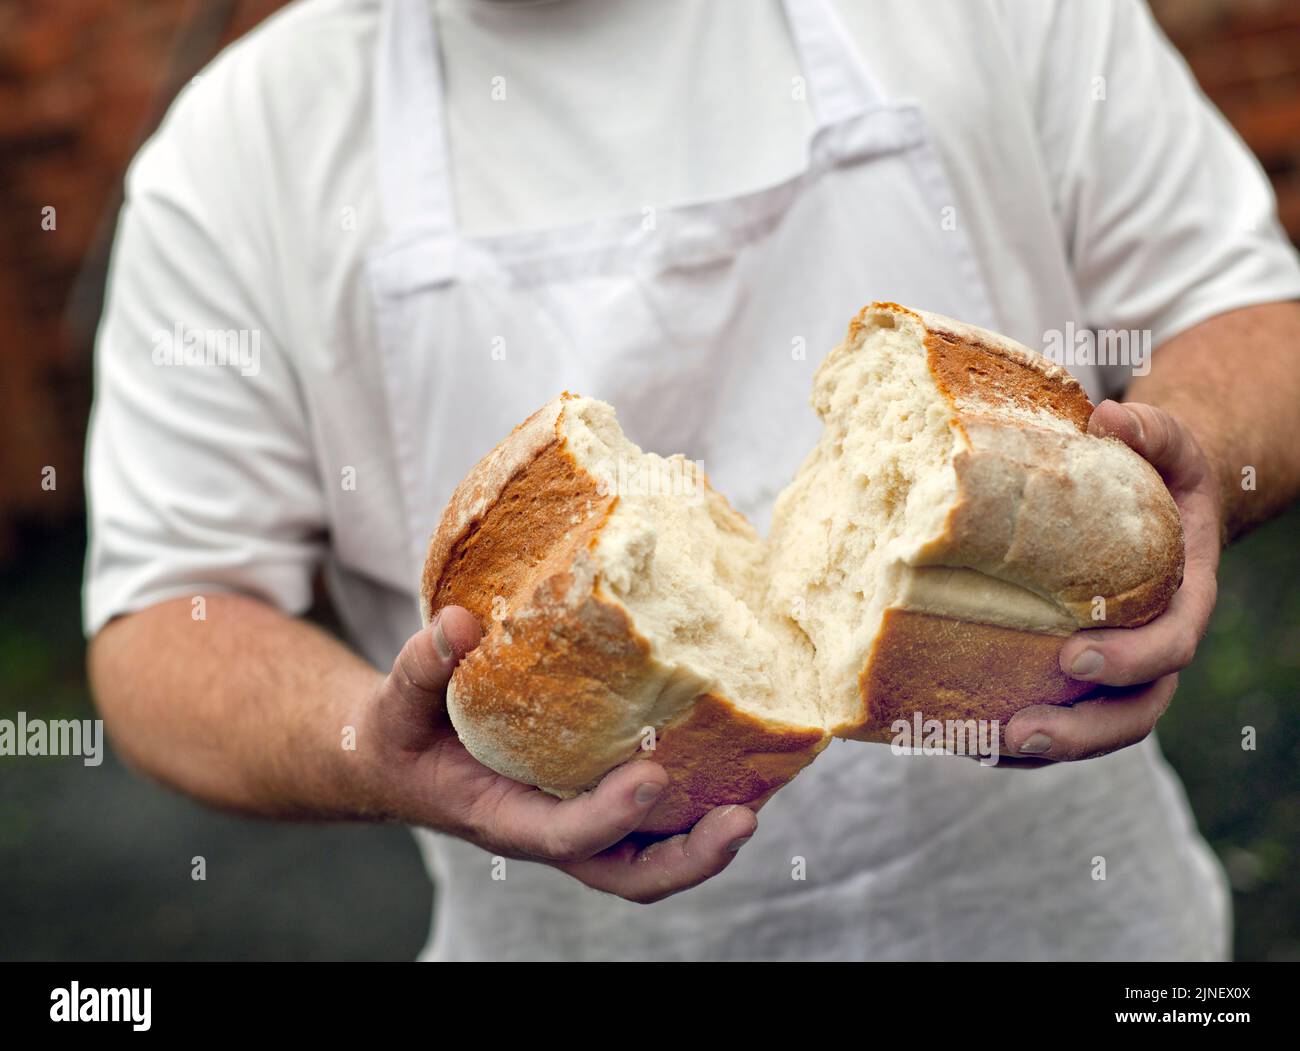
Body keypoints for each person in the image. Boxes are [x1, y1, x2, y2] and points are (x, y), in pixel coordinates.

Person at [85, 0, 1300, 960]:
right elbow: (163, 618)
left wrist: (1184, 465)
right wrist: (371, 744)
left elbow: (1258, 317)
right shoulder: (241, 145)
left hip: (1071, 934)